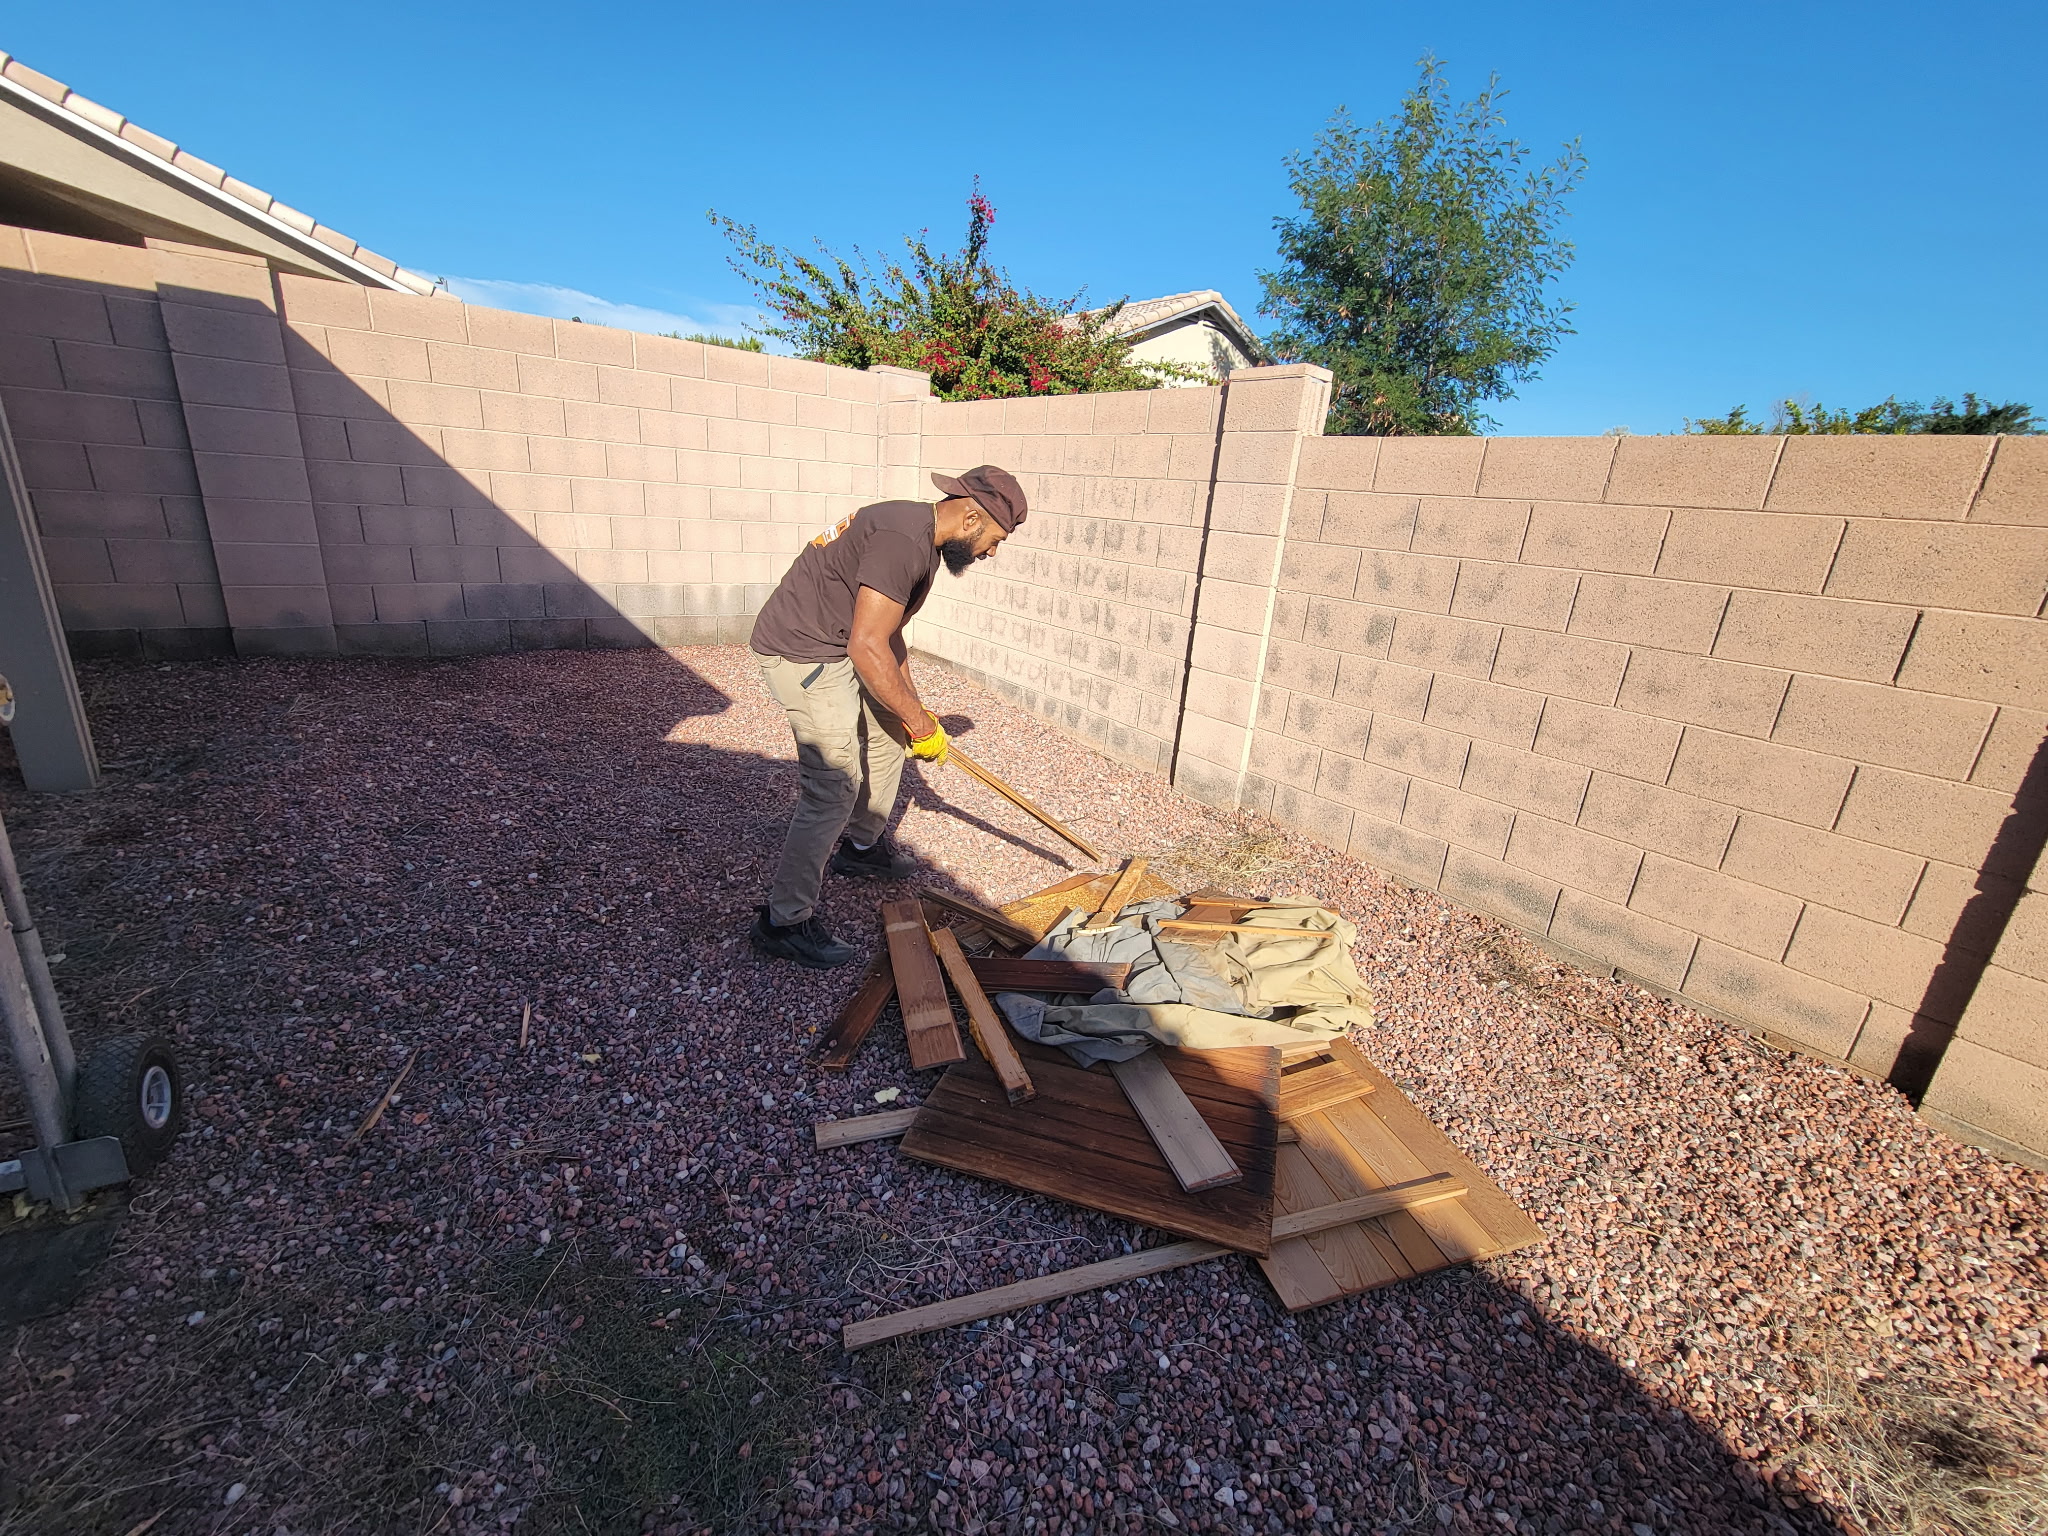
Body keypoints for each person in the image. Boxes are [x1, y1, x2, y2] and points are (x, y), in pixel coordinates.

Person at [746, 466, 1028, 968]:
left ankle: (860, 847)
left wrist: (915, 715)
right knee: (833, 786)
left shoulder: (922, 536)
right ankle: (783, 922)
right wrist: (921, 722)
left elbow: (887, 632)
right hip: (805, 653)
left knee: (888, 736)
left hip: (844, 643)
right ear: (969, 517)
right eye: (995, 540)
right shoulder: (903, 542)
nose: (991, 553)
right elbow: (867, 644)